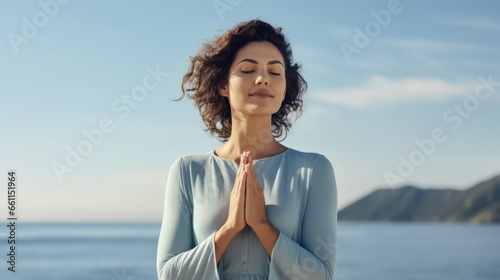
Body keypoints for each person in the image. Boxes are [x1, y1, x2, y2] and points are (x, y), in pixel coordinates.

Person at [157, 19, 338, 280]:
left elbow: (321, 275)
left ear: (284, 88)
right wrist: (230, 228)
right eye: (248, 69)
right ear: (222, 84)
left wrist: (262, 226)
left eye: (275, 73)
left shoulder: (313, 170)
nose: (263, 79)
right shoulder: (188, 171)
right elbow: (168, 275)